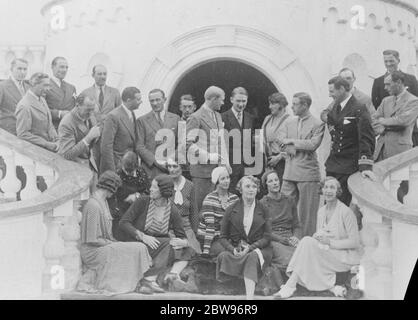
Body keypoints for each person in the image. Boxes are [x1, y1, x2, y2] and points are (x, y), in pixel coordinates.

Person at [274, 177, 361, 299]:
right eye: (326, 187)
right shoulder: (321, 211)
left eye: (332, 187)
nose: (328, 191)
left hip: (345, 257)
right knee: (306, 243)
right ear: (322, 190)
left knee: (306, 243)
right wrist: (316, 238)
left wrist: (330, 242)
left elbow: (355, 242)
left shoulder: (346, 212)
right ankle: (332, 288)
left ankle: (289, 286)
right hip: (328, 254)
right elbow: (319, 237)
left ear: (338, 191)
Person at [77, 171, 152, 295]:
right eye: (116, 188)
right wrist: (112, 243)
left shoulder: (104, 202)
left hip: (103, 246)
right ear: (110, 187)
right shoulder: (93, 206)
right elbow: (91, 239)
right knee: (128, 248)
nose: (116, 191)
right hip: (92, 252)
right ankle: (135, 284)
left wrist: (113, 243)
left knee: (139, 247)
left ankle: (137, 282)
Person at [119, 174, 195, 294]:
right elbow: (123, 223)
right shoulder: (143, 201)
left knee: (186, 248)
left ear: (163, 191)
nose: (150, 189)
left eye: (154, 187)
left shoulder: (172, 209)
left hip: (158, 247)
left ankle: (171, 275)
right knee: (167, 243)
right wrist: (142, 236)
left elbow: (181, 235)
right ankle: (149, 279)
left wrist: (183, 242)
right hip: (138, 243)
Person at [216, 176, 272, 300]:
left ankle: (249, 299)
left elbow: (267, 237)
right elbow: (223, 237)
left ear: (257, 190)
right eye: (247, 186)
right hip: (239, 249)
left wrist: (251, 247)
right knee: (224, 256)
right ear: (240, 190)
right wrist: (233, 249)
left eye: (254, 187)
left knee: (252, 257)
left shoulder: (264, 209)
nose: (251, 190)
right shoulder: (231, 209)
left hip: (260, 249)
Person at [324, 76, 375, 207]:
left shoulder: (359, 107)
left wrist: (365, 165)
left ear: (341, 89)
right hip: (333, 164)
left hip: (348, 165)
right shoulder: (335, 107)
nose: (330, 95)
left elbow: (366, 138)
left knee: (341, 205)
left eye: (332, 91)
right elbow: (332, 128)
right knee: (329, 203)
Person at [278, 92, 324, 237]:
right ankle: (285, 242)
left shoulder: (318, 123)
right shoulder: (288, 122)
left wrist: (291, 143)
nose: (291, 107)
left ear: (305, 105)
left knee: (307, 216)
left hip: (308, 174)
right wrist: (287, 144)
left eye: (295, 104)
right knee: (283, 210)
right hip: (289, 172)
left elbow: (312, 144)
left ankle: (306, 246)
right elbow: (279, 140)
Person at [186, 86, 231, 211]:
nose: (223, 103)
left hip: (217, 170)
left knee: (216, 207)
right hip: (202, 172)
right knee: (201, 207)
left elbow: (220, 141)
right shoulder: (196, 117)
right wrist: (208, 156)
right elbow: (188, 144)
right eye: (221, 100)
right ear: (213, 99)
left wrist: (225, 162)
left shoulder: (217, 115)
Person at [371, 50, 418, 147]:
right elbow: (376, 107)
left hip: (408, 132)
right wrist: (382, 126)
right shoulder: (378, 82)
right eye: (386, 61)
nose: (388, 64)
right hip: (386, 134)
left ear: (398, 60)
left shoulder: (411, 79)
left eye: (391, 61)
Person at [373, 71, 418, 161]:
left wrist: (382, 122)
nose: (385, 88)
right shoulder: (386, 100)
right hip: (381, 149)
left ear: (399, 82)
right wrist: (382, 126)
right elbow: (373, 119)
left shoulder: (413, 101)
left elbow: (402, 121)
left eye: (388, 84)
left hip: (400, 151)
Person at [260, 170, 300, 270]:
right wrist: (282, 240)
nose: (275, 183)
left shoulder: (289, 200)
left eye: (276, 180)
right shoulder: (262, 204)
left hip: (290, 238)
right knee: (289, 260)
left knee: (305, 256)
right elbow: (264, 231)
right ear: (266, 185)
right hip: (274, 239)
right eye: (270, 181)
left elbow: (296, 225)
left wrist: (295, 237)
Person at [137, 89, 180, 179]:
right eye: (152, 101)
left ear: (164, 99)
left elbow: (181, 143)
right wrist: (157, 162)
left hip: (171, 169)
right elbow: (139, 146)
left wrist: (171, 159)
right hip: (151, 171)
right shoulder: (142, 121)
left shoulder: (175, 118)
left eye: (158, 100)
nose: (155, 103)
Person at [197, 166, 240, 257]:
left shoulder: (234, 199)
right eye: (223, 179)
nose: (226, 181)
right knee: (227, 253)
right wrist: (206, 251)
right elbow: (210, 226)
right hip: (210, 238)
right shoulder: (210, 199)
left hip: (226, 237)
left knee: (239, 251)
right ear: (217, 181)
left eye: (228, 178)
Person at [108, 151, 150, 241]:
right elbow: (111, 197)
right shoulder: (117, 174)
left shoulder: (141, 173)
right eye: (125, 170)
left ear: (136, 166)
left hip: (137, 211)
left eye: (130, 171)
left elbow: (148, 192)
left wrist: (137, 196)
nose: (127, 173)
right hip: (121, 212)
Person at [221, 87, 256, 194]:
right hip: (230, 167)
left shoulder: (250, 118)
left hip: (246, 166)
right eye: (238, 101)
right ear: (231, 99)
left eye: (244, 101)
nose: (241, 104)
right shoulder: (222, 117)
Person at [100, 87, 142, 173]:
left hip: (130, 167)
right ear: (129, 100)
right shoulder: (113, 116)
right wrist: (113, 171)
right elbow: (106, 146)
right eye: (138, 99)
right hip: (118, 167)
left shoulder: (132, 113)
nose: (141, 102)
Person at [58, 93, 101, 173]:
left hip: (90, 164)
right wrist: (89, 138)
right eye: (88, 110)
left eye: (93, 109)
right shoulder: (67, 123)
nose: (91, 113)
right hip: (75, 168)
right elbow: (67, 155)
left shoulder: (89, 115)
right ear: (77, 106)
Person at [15, 73, 59, 152]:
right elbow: (22, 134)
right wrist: (46, 143)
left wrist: (56, 138)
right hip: (35, 150)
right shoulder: (24, 106)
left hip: (49, 147)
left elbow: (49, 123)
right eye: (45, 85)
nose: (48, 89)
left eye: (48, 85)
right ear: (34, 84)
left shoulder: (42, 99)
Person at [166, 157, 201, 254]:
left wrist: (194, 233)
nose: (171, 169)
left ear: (182, 167)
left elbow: (194, 211)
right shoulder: (165, 184)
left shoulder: (190, 185)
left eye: (174, 166)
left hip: (186, 227)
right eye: (169, 166)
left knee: (195, 252)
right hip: (169, 229)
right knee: (176, 253)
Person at [261, 92, 290, 187]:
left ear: (281, 105)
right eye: (270, 103)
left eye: (273, 104)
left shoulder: (290, 120)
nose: (270, 107)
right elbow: (262, 139)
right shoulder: (267, 119)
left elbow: (293, 147)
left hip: (282, 162)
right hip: (268, 161)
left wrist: (278, 158)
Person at [44, 57, 77, 129]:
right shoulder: (44, 86)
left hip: (69, 128)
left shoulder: (71, 88)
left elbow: (75, 108)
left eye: (66, 67)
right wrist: (59, 114)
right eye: (61, 67)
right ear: (52, 67)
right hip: (52, 128)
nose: (64, 70)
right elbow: (39, 109)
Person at [0, 58, 30, 135]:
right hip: (9, 131)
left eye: (25, 69)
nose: (22, 72)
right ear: (11, 69)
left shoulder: (29, 88)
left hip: (28, 131)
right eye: (19, 69)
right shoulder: (2, 86)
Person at [177, 94, 196, 181]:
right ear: (180, 107)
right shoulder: (175, 123)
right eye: (184, 107)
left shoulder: (199, 123)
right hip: (179, 167)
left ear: (194, 107)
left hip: (195, 167)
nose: (187, 110)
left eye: (190, 107)